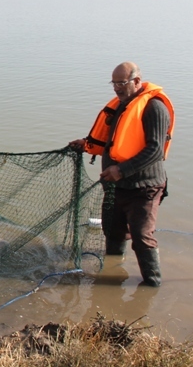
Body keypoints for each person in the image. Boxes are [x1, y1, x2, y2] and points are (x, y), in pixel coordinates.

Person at [69, 62, 175, 287]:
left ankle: (152, 284)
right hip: (116, 186)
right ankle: (112, 276)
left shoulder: (154, 107)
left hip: (143, 188)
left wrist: (121, 170)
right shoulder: (121, 106)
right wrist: (87, 144)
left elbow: (155, 150)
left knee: (142, 236)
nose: (117, 88)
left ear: (137, 81)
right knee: (113, 230)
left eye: (122, 83)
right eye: (114, 83)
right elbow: (114, 140)